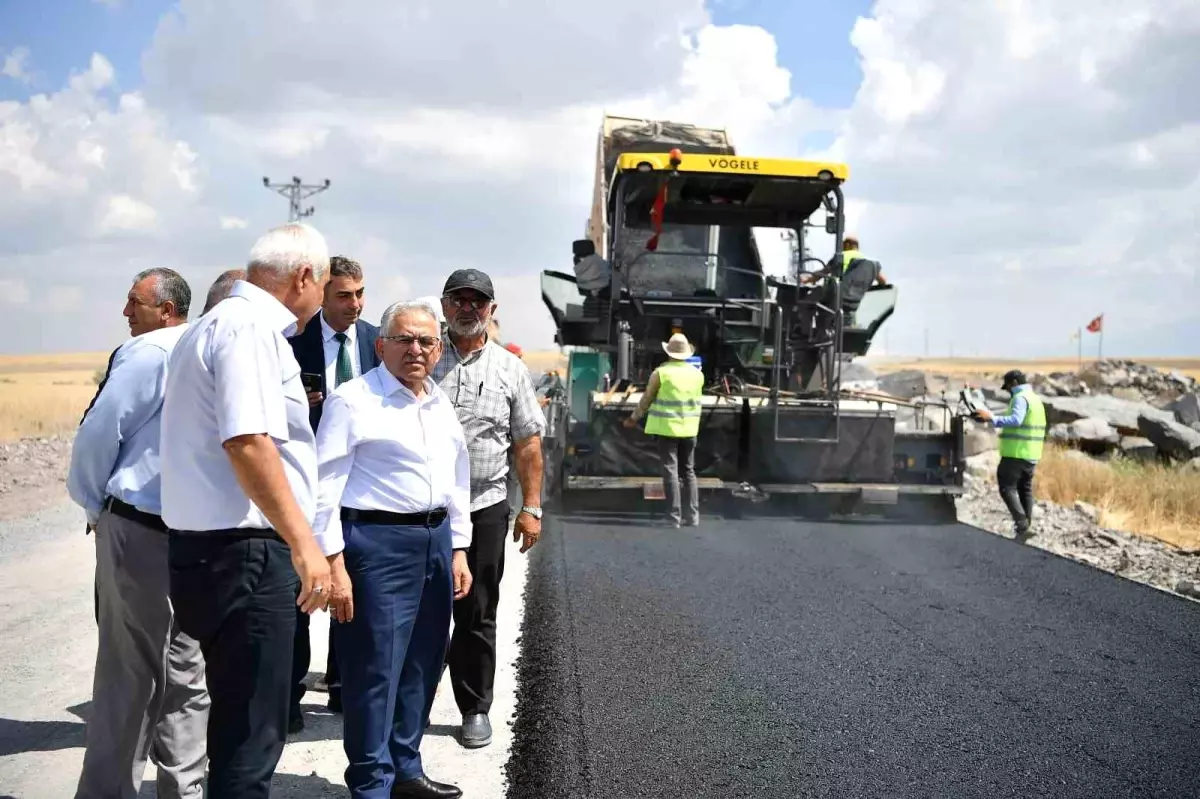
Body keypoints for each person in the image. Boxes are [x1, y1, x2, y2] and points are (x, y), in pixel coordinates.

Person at [159, 222, 350, 798]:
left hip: (209, 551)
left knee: (236, 722)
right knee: (252, 735)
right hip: (245, 554)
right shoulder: (249, 331)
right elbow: (248, 442)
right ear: (304, 278)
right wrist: (306, 545)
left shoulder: (211, 327)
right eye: (322, 287)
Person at [313, 300, 472, 799]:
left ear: (439, 348)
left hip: (435, 541)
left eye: (426, 341)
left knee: (424, 664)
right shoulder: (353, 400)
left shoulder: (438, 402)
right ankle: (370, 781)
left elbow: (457, 479)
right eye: (403, 339)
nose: (415, 350)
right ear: (381, 345)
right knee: (375, 670)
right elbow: (324, 486)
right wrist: (333, 563)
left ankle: (406, 767)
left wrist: (459, 548)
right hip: (376, 545)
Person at [67, 267, 210, 799]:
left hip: (141, 529)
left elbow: (100, 433)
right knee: (187, 673)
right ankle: (184, 788)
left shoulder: (148, 353)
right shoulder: (205, 346)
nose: (126, 313)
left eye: (135, 303)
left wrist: (92, 503)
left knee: (127, 674)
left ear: (166, 310)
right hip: (195, 532)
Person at [433, 268, 546, 749]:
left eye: (477, 302)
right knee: (420, 609)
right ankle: (408, 702)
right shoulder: (421, 356)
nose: (467, 308)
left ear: (491, 311)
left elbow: (526, 443)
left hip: (485, 506)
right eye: (458, 299)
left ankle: (474, 708)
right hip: (424, 508)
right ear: (443, 305)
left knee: (477, 610)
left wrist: (532, 507)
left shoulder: (509, 369)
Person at [286, 255, 381, 730]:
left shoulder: (376, 341)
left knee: (352, 588)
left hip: (360, 487)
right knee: (302, 591)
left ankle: (343, 686)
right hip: (305, 486)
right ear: (322, 293)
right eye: (345, 295)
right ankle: (290, 693)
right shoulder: (291, 342)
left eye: (361, 293)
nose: (356, 304)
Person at [623, 332, 704, 528]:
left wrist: (633, 418)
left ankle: (673, 517)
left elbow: (647, 399)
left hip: (668, 430)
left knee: (671, 471)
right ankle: (692, 516)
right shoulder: (697, 374)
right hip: (690, 429)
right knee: (689, 471)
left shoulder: (661, 373)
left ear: (669, 353)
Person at [974, 369, 1046, 543]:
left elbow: (1016, 420)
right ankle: (1025, 529)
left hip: (1016, 453)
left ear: (1014, 383)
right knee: (1025, 490)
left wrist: (991, 418)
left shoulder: (1020, 398)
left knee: (1007, 487)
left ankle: (1021, 524)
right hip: (1032, 453)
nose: (1008, 391)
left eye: (1008, 388)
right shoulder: (1035, 399)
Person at [798, 234, 887, 327]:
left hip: (834, 297)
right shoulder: (870, 263)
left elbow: (823, 272)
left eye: (843, 244)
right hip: (852, 303)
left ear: (848, 245)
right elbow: (883, 281)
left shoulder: (841, 256)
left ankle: (805, 331)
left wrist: (807, 280)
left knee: (806, 301)